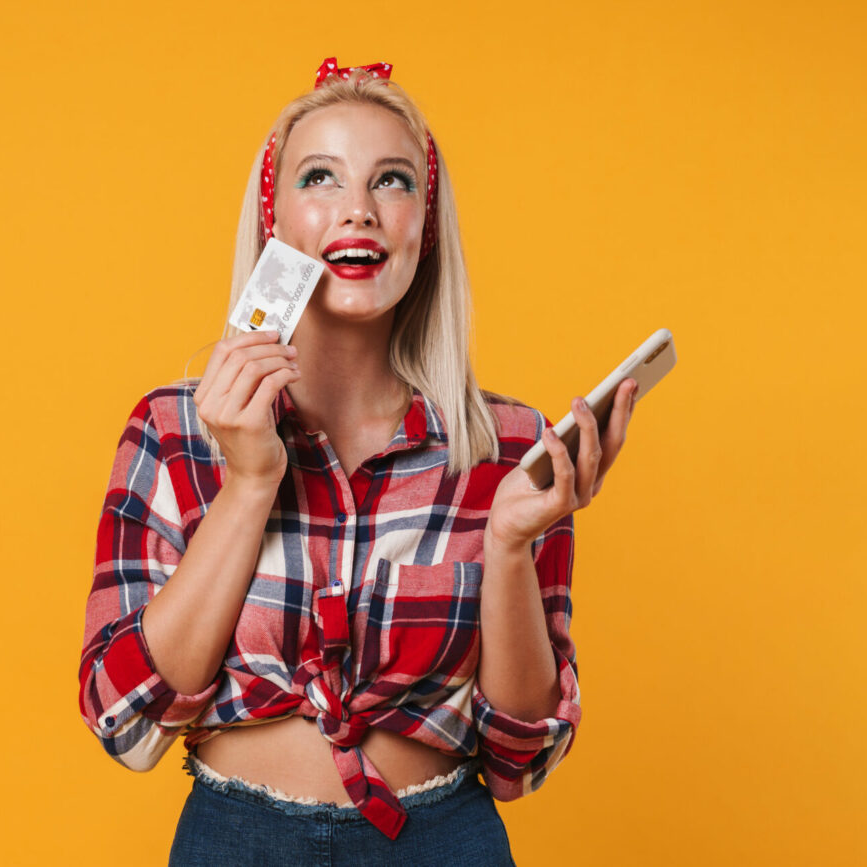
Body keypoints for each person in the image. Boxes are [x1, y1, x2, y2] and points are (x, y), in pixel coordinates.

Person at [78, 57, 637, 866]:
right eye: (321, 178)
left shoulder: (508, 448)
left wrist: (513, 542)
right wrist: (250, 480)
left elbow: (520, 756)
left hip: (442, 843)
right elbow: (125, 719)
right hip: (236, 844)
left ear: (427, 226)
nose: (359, 212)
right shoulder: (175, 430)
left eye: (393, 183)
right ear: (275, 221)